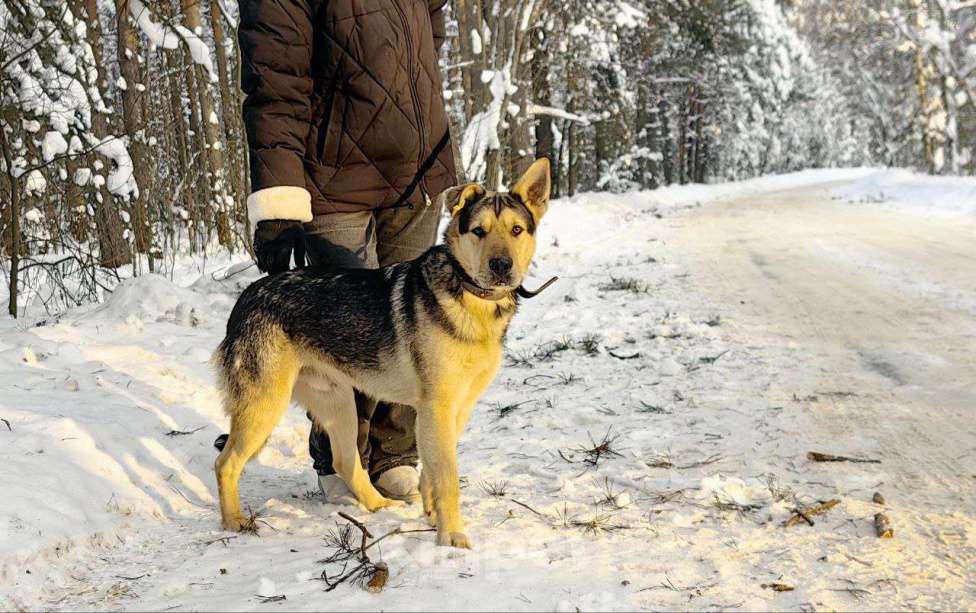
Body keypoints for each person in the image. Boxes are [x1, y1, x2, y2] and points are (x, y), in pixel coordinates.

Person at [237, 0, 458, 501]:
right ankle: (342, 459)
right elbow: (275, 83)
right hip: (334, 177)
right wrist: (278, 201)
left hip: (416, 171)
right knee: (342, 333)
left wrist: (412, 91)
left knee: (415, 327)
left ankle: (394, 453)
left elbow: (430, 29)